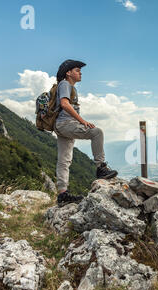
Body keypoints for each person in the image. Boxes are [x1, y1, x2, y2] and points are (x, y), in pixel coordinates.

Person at [54, 59, 118, 207]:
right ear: (68, 73)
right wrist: (82, 121)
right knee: (96, 132)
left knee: (64, 160)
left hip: (62, 126)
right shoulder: (65, 84)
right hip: (66, 124)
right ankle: (101, 167)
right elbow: (64, 104)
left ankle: (62, 194)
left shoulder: (69, 87)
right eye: (77, 70)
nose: (80, 73)